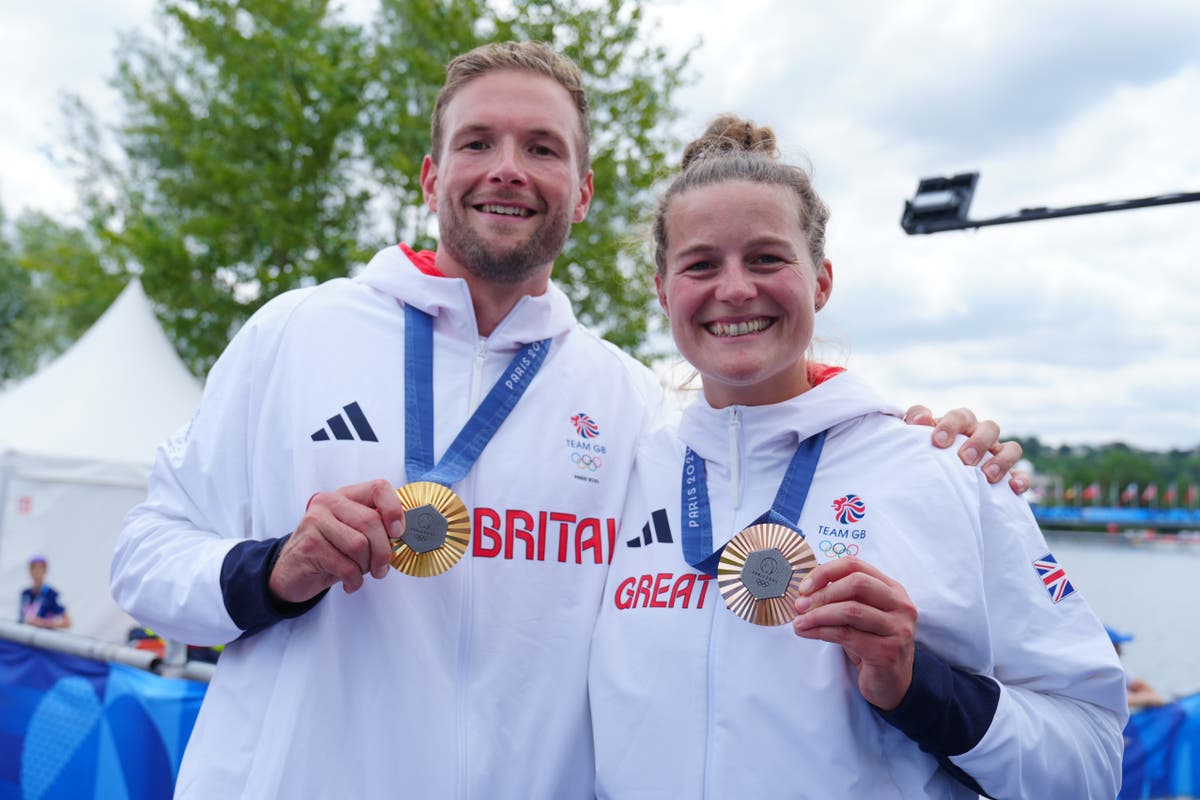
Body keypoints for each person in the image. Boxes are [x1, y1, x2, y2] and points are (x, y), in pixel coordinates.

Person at [110, 44, 1021, 798]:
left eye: (542, 148)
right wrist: (275, 570)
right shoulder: (294, 334)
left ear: (581, 194)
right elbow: (145, 558)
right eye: (478, 143)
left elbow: (764, 433)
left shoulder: (631, 402)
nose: (508, 167)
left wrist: (918, 441)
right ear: (432, 176)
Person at [588, 115, 1127, 799]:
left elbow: (1091, 759)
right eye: (701, 264)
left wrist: (916, 685)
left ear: (821, 281)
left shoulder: (944, 469)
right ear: (664, 290)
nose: (735, 288)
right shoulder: (627, 473)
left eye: (767, 258)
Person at [1108, 625, 1166, 709]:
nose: (1121, 651)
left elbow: (1149, 692)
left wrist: (1149, 698)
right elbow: (1111, 701)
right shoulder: (1095, 674)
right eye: (1117, 646)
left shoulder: (1118, 669)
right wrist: (1147, 698)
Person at [19, 555, 71, 629]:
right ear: (30, 571)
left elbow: (67, 622)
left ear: (45, 571)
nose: (36, 571)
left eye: (40, 568)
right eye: (33, 568)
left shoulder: (52, 594)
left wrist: (43, 623)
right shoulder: (25, 594)